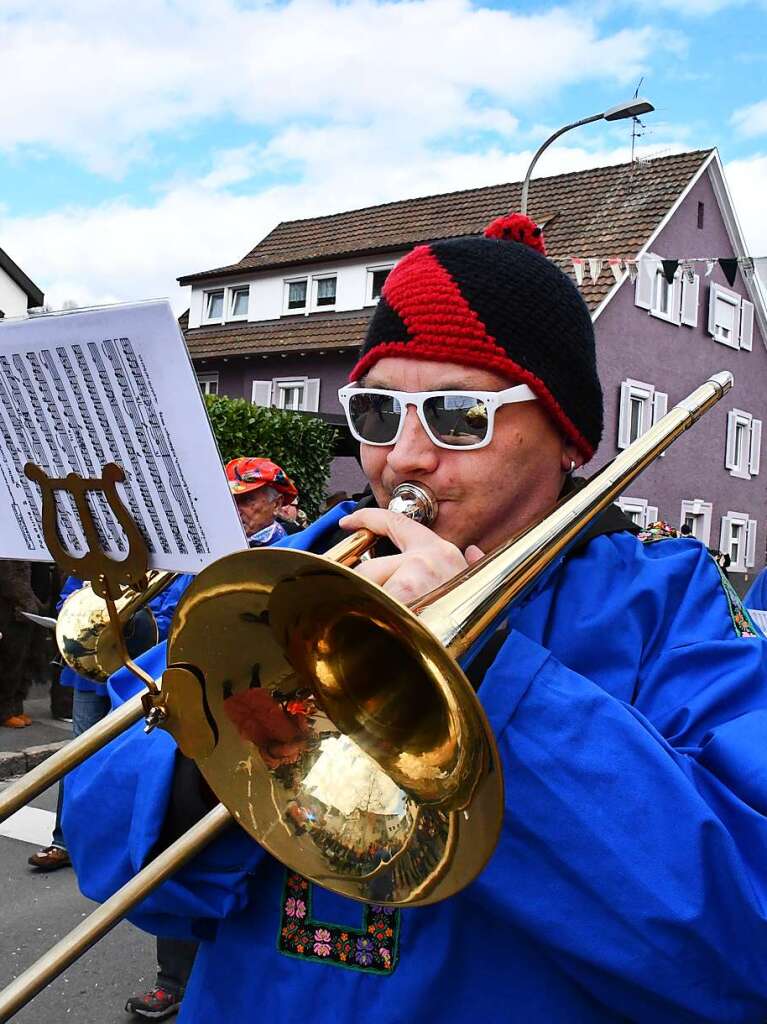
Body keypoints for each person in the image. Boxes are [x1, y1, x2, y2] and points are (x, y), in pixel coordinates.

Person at [63, 214, 767, 1022]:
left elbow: (738, 949)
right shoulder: (280, 578)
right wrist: (224, 740)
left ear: (567, 438)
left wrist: (481, 673)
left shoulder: (668, 603)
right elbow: (106, 853)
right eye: (376, 413)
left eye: (457, 416)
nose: (403, 457)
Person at [0, 561, 46, 728]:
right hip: (10, 610)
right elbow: (9, 577)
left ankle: (15, 707)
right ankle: (4, 711)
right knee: (9, 662)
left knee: (24, 661)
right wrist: (28, 602)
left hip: (25, 609)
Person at [226, 456, 298, 546]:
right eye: (231, 500)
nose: (235, 509)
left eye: (246, 499)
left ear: (276, 504)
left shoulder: (286, 555)